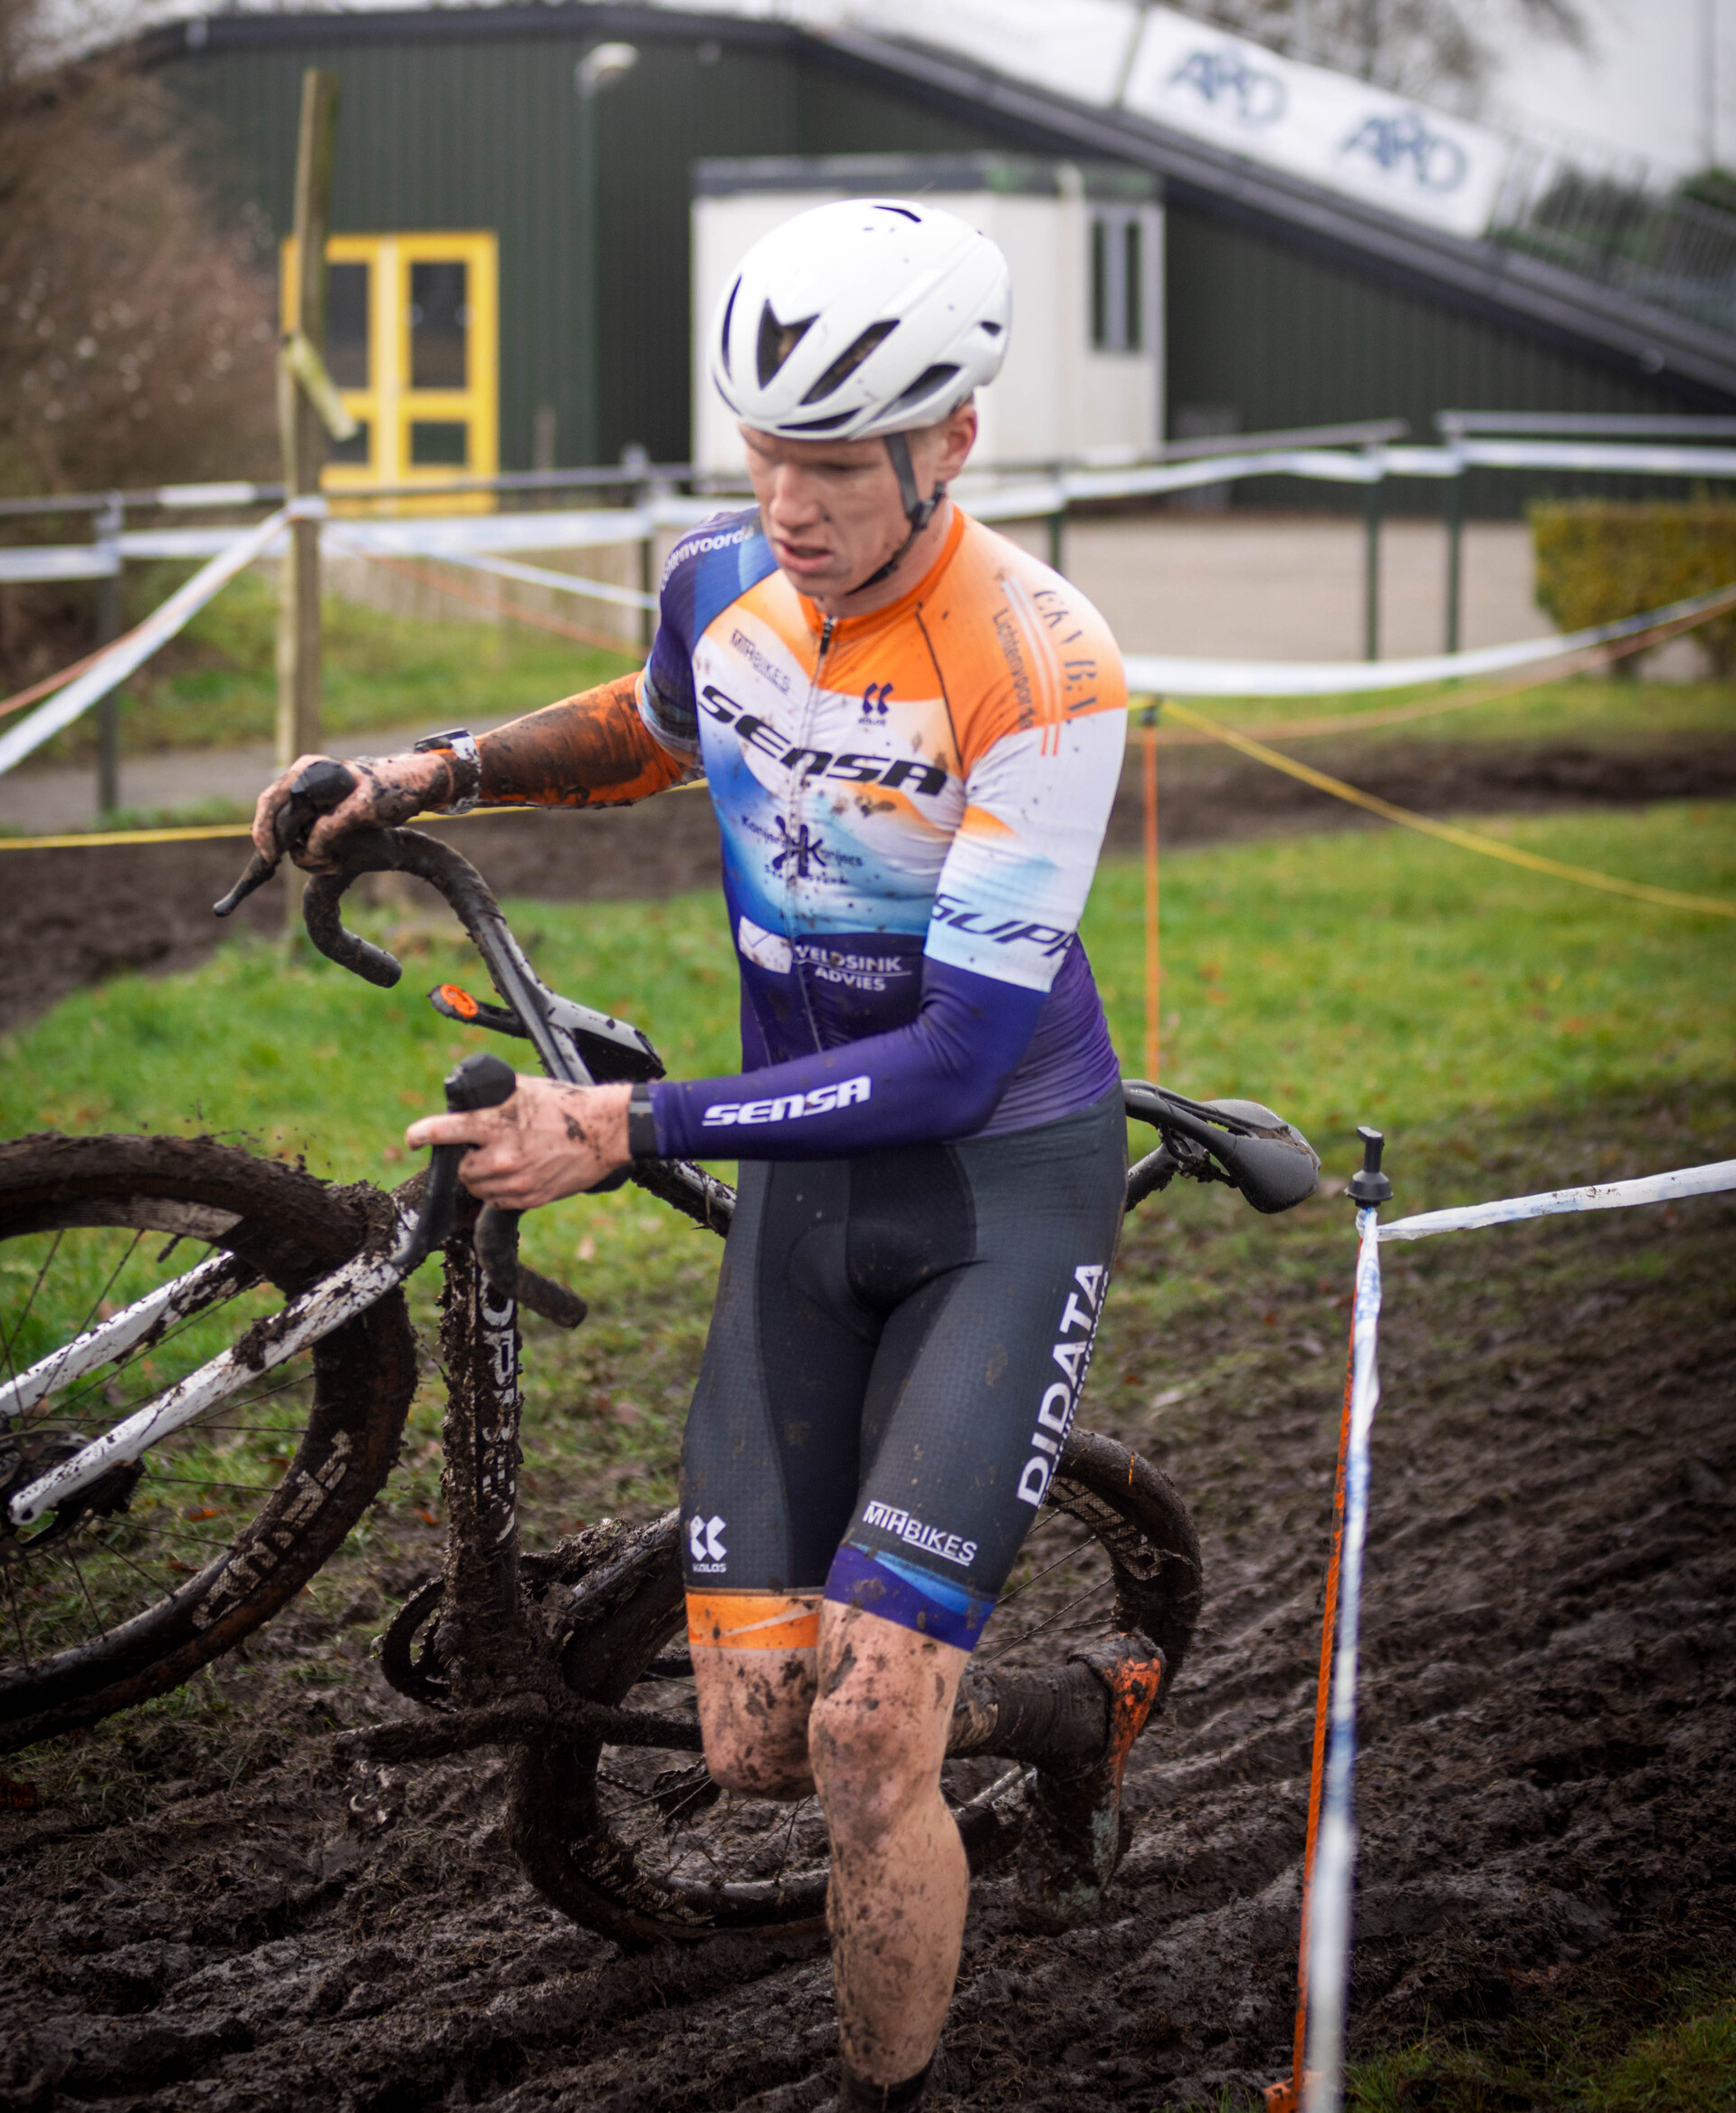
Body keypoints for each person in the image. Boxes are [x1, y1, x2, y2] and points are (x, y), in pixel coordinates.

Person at [252, 200, 1133, 2110]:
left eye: (832, 465)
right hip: (811, 1195)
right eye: (764, 458)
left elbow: (960, 1055)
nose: (790, 505)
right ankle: (1067, 1705)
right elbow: (650, 729)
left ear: (951, 442)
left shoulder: (1040, 664)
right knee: (748, 1736)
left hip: (996, 1184)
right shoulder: (715, 580)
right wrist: (428, 770)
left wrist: (625, 1126)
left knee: (863, 1740)